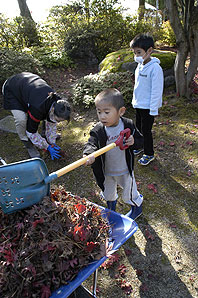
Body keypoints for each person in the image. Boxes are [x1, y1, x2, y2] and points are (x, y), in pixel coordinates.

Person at [83, 88, 144, 220]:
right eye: (99, 112)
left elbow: (140, 141)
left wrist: (133, 141)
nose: (102, 116)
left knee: (129, 192)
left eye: (106, 112)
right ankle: (111, 209)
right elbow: (91, 144)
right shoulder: (98, 130)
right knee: (108, 193)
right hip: (106, 171)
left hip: (124, 169)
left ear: (121, 111)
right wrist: (89, 154)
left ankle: (136, 208)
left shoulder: (128, 125)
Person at [2, 72, 71, 159]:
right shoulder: (37, 108)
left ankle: (45, 136)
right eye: (58, 120)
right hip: (12, 89)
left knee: (48, 118)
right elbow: (31, 132)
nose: (58, 122)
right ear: (53, 110)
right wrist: (46, 146)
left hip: (28, 87)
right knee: (21, 120)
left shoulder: (59, 103)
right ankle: (28, 144)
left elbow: (52, 122)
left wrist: (52, 142)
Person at [130, 33, 164, 165]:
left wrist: (153, 109)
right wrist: (135, 101)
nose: (136, 55)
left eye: (139, 52)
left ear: (149, 50)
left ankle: (149, 153)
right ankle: (139, 146)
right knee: (138, 128)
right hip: (138, 104)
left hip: (148, 107)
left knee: (146, 130)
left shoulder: (155, 68)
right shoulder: (140, 65)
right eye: (134, 52)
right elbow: (139, 86)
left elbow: (156, 90)